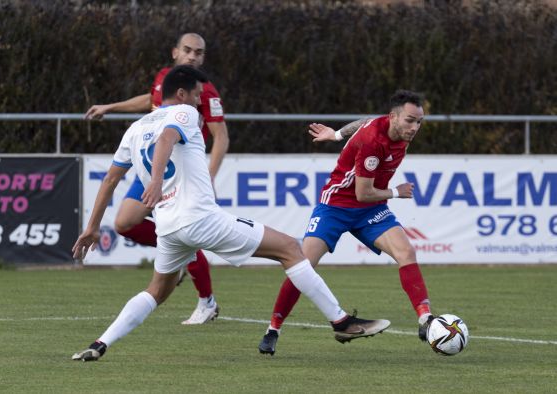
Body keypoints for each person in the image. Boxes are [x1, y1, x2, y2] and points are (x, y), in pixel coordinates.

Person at [71, 65, 390, 361]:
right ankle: (341, 321)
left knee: (157, 290)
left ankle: (100, 344)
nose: (200, 102)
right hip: (199, 217)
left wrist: (92, 227)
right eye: (197, 95)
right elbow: (167, 138)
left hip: (168, 226)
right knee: (291, 249)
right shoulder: (183, 112)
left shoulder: (134, 129)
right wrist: (155, 180)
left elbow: (111, 178)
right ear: (181, 95)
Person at [258, 90, 434, 356]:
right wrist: (397, 192)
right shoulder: (374, 141)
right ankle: (273, 329)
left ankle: (426, 319)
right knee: (302, 265)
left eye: (419, 122)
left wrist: (337, 134)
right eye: (410, 120)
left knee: (406, 251)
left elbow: (363, 119)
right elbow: (363, 192)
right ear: (394, 117)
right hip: (336, 206)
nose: (415, 127)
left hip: (370, 210)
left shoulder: (394, 129)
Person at [85, 33, 229, 325]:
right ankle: (177, 255)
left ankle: (207, 301)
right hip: (152, 167)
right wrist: (110, 107)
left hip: (181, 173)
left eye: (198, 53)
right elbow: (148, 100)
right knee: (125, 223)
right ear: (175, 51)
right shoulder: (165, 78)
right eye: (187, 50)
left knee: (182, 232)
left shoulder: (204, 91)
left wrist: (208, 177)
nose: (192, 56)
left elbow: (221, 136)